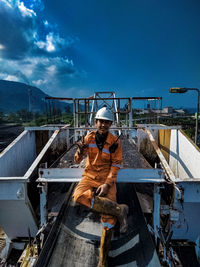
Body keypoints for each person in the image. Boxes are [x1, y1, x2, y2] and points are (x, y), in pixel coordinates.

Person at [73, 107, 128, 267]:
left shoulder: (115, 142)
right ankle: (119, 210)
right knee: (78, 196)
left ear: (111, 124)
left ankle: (102, 262)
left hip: (105, 178)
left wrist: (107, 184)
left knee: (109, 221)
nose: (103, 125)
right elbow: (77, 161)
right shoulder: (88, 138)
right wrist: (80, 149)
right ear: (95, 122)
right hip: (89, 176)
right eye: (101, 121)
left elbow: (116, 164)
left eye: (106, 122)